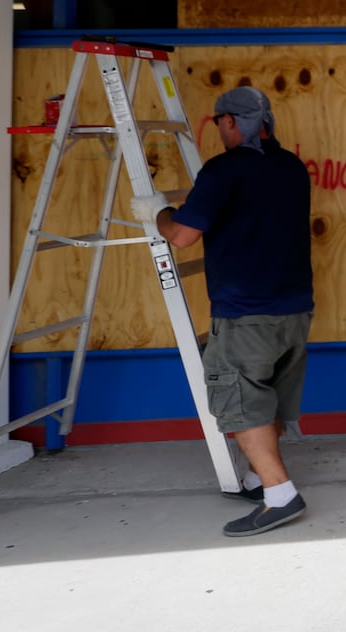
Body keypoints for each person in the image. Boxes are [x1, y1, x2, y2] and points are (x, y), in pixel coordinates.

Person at [133, 85, 315, 538]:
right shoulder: (292, 167)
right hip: (294, 309)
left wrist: (156, 213)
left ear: (230, 122)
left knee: (241, 400)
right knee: (266, 393)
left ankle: (279, 495)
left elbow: (182, 237)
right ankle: (258, 479)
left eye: (219, 122)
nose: (218, 130)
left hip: (246, 313)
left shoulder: (223, 171)